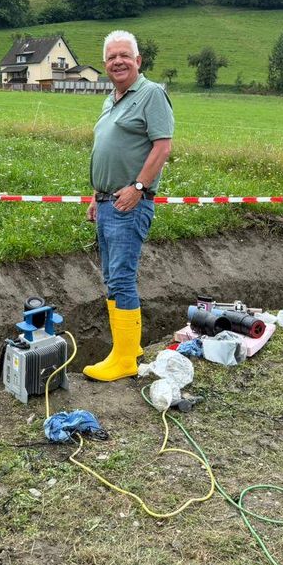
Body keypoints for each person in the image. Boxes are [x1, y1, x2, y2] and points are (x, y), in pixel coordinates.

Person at [83, 30, 174, 382]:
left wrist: (138, 187)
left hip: (129, 204)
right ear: (105, 64)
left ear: (138, 61)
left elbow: (162, 147)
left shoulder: (151, 94)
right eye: (110, 57)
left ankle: (124, 360)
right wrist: (96, 196)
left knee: (121, 279)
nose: (117, 61)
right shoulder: (112, 99)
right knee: (111, 277)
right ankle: (129, 348)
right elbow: (110, 149)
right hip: (107, 202)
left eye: (124, 55)